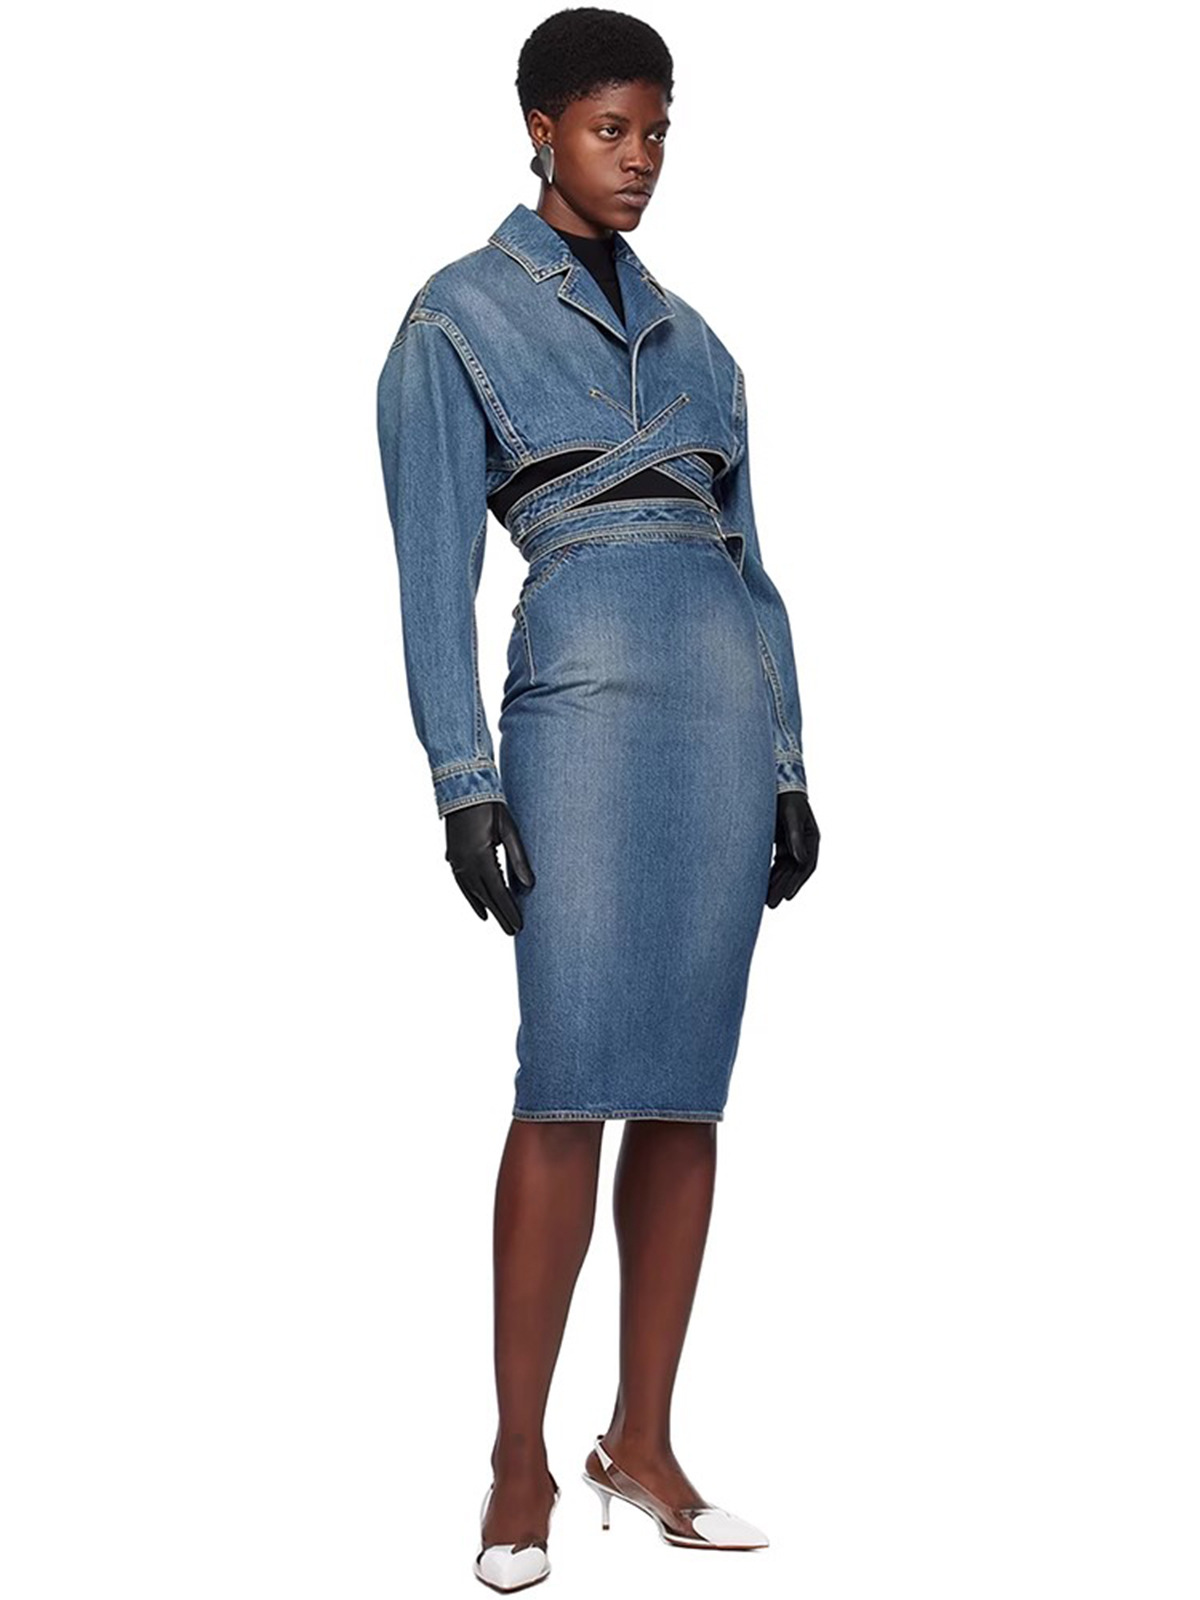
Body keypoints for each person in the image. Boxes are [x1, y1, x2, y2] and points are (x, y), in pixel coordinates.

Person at [376, 8, 820, 1589]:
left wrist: (788, 766)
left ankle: (644, 1439)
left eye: (657, 132)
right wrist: (462, 780)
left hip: (722, 724)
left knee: (686, 1093)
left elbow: (754, 572)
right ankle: (518, 1459)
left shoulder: (705, 348)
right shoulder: (458, 317)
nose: (638, 159)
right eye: (610, 129)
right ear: (541, 129)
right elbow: (431, 575)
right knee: (566, 1080)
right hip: (575, 716)